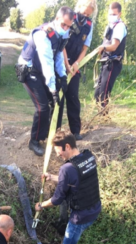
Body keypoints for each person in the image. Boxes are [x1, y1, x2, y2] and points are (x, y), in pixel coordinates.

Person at [35, 131, 102, 244]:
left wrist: (40, 205)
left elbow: (57, 200)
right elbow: (75, 180)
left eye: (59, 152)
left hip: (80, 218)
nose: (58, 156)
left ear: (67, 146)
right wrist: (52, 177)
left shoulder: (67, 168)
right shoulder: (88, 157)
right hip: (95, 209)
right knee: (68, 243)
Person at [17, 7, 75, 156]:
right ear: (56, 19)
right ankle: (34, 141)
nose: (66, 28)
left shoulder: (63, 33)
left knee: (58, 102)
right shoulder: (43, 34)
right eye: (63, 25)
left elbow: (58, 57)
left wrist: (62, 77)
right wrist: (53, 89)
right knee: (42, 107)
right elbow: (47, 61)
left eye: (69, 26)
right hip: (30, 71)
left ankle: (54, 136)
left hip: (43, 71)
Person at [57, 0, 97, 141]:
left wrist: (76, 63)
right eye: (82, 12)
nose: (84, 15)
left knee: (73, 97)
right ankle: (56, 131)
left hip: (74, 66)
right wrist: (66, 64)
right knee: (59, 98)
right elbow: (62, 44)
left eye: (87, 14)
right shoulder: (68, 19)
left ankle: (75, 131)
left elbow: (85, 49)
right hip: (60, 60)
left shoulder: (89, 26)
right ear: (78, 8)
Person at [93, 2, 127, 111]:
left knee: (104, 93)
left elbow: (113, 46)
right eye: (110, 14)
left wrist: (103, 48)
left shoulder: (119, 27)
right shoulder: (110, 26)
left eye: (114, 14)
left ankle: (104, 119)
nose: (111, 16)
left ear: (119, 14)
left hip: (113, 63)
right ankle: (100, 117)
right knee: (97, 93)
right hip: (105, 62)